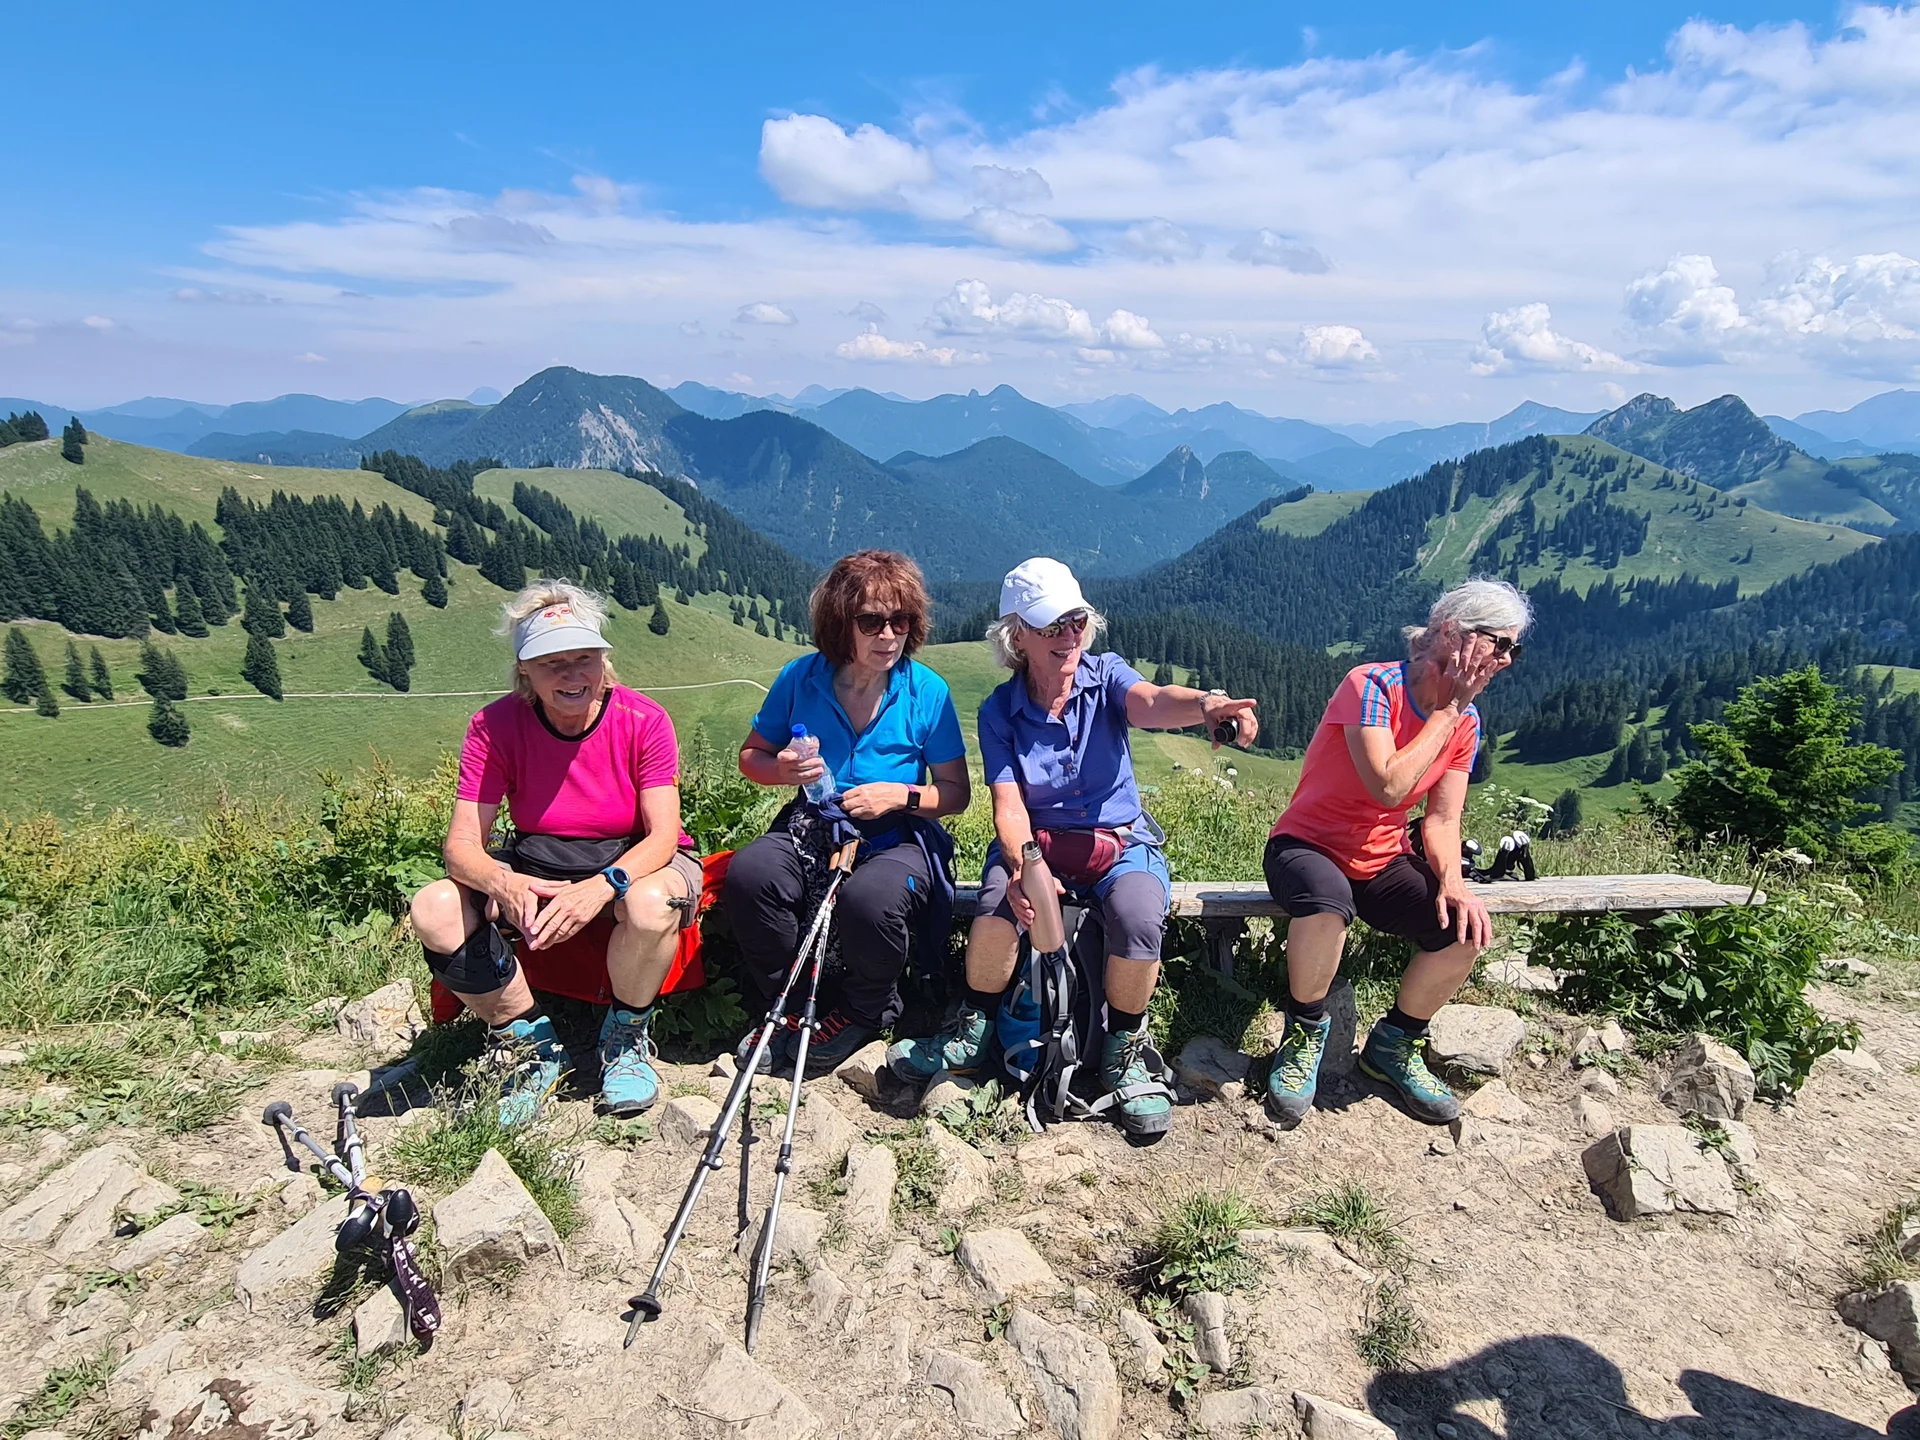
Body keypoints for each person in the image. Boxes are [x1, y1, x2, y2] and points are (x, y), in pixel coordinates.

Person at [886, 557, 1259, 1136]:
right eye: (1051, 626)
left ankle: (1123, 1049)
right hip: (1037, 845)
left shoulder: (1106, 675)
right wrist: (1022, 866)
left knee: (1139, 916)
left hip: (1119, 841)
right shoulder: (999, 712)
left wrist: (1206, 705)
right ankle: (974, 1029)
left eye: (1077, 621)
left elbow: (1151, 701)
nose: (1069, 636)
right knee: (998, 907)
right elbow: (1009, 806)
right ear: (1017, 637)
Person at [408, 581, 702, 1123]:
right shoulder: (494, 727)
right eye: (552, 663)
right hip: (538, 860)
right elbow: (461, 847)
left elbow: (663, 836)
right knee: (434, 907)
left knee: (651, 904)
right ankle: (531, 1045)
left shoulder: (644, 719)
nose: (572, 676)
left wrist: (603, 886)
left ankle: (626, 1036)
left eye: (584, 658)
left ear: (603, 659)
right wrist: (504, 882)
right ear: (525, 670)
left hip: (634, 858)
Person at [1260, 578, 1531, 1126]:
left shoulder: (1467, 721)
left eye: (1514, 649)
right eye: (1498, 642)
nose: (1505, 659)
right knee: (1326, 902)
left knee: (1463, 930)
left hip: (1381, 855)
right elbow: (1388, 786)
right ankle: (1305, 1033)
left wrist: (1452, 883)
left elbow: (1442, 818)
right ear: (1451, 634)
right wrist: (1448, 711)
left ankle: (1394, 1044)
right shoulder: (1372, 686)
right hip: (1306, 844)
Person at [723, 550, 971, 1075]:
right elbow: (751, 757)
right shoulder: (801, 677)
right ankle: (788, 1004)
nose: (889, 635)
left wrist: (899, 796)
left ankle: (866, 1009)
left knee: (871, 898)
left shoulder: (927, 691)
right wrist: (783, 770)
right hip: (814, 822)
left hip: (897, 833)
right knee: (752, 873)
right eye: (872, 621)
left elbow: (954, 794)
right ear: (841, 623)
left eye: (901, 620)